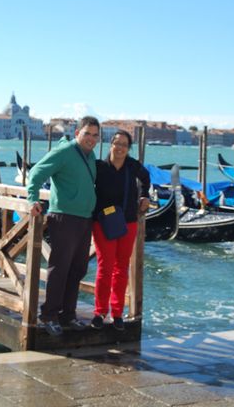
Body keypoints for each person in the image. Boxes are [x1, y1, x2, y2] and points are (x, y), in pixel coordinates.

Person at [27, 116, 100, 336]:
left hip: (84, 218)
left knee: (78, 269)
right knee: (59, 269)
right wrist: (32, 199)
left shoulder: (91, 156)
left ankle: (68, 315)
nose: (91, 138)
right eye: (87, 133)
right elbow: (36, 173)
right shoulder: (65, 152)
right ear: (77, 132)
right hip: (64, 217)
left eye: (95, 135)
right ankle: (49, 315)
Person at [90, 130, 150, 331]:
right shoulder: (99, 167)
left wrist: (145, 196)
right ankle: (99, 312)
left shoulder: (133, 166)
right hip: (102, 223)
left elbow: (146, 178)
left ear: (128, 148)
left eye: (124, 144)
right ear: (110, 145)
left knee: (121, 268)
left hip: (128, 223)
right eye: (117, 143)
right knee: (104, 268)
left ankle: (117, 313)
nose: (120, 147)